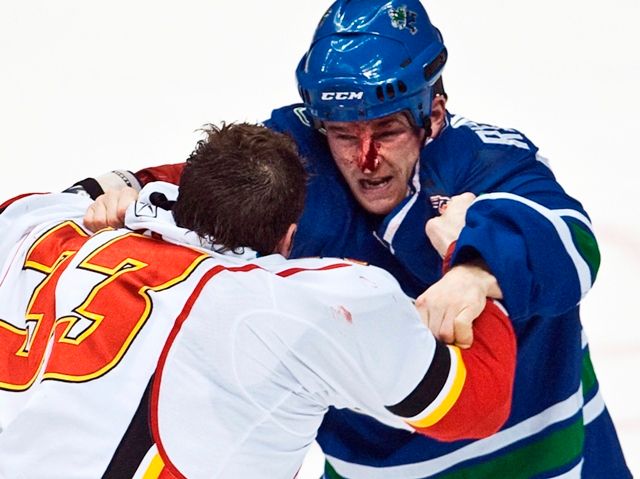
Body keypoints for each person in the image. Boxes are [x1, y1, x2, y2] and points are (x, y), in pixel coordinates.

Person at [75, 1, 631, 477]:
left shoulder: (485, 161)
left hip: (537, 454)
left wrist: (476, 271)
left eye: (386, 130)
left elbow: (573, 244)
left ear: (432, 112)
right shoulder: (299, 155)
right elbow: (205, 184)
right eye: (344, 134)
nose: (365, 161)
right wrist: (124, 188)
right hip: (368, 464)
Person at [0, 123, 517, 478]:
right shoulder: (297, 307)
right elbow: (480, 403)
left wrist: (122, 196)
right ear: (289, 238)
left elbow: (74, 195)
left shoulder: (37, 226)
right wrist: (468, 255)